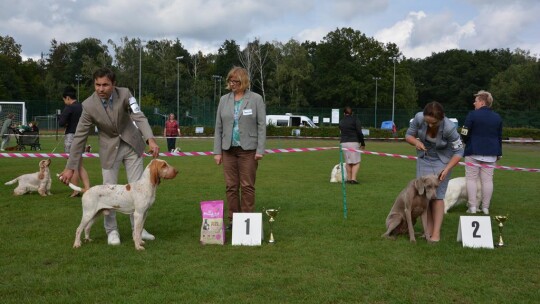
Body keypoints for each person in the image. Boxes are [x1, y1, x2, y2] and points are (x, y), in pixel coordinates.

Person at [58, 67, 160, 246]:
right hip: (108, 149)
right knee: (107, 191)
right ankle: (112, 231)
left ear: (114, 84)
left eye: (105, 85)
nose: (100, 89)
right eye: (97, 85)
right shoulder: (88, 105)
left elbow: (139, 117)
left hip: (131, 145)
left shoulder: (126, 94)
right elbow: (80, 136)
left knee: (140, 191)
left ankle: (139, 229)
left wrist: (150, 140)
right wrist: (70, 167)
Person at [213, 67, 266, 230]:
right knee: (231, 186)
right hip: (228, 149)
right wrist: (217, 152)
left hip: (249, 150)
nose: (232, 84)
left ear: (243, 81)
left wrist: (260, 150)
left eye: (235, 81)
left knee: (247, 186)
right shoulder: (224, 100)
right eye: (230, 81)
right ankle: (233, 220)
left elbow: (262, 125)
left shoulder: (256, 99)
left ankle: (247, 220)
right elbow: (218, 127)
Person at [406, 101, 464, 242]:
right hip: (424, 159)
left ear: (441, 119)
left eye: (434, 123)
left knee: (437, 196)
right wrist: (416, 142)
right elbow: (409, 135)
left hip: (443, 161)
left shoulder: (449, 128)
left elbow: (459, 150)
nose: (430, 125)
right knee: (425, 196)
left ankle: (436, 234)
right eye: (428, 122)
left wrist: (447, 169)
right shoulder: (419, 118)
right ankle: (428, 231)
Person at [461, 90, 502, 215]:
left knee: (471, 179)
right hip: (491, 153)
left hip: (473, 151)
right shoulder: (497, 117)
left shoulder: (472, 115)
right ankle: (485, 208)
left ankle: (472, 207)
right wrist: (499, 152)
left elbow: (465, 132)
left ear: (482, 102)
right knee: (488, 181)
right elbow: (499, 136)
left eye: (476, 101)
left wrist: (465, 142)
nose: (474, 103)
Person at [58, 86, 91, 197]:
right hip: (82, 136)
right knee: (79, 164)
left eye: (64, 100)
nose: (65, 102)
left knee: (72, 165)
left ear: (67, 97)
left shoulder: (69, 108)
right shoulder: (83, 106)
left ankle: (76, 190)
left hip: (71, 136)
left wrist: (67, 122)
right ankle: (87, 188)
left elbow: (61, 122)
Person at [338, 106, 366, 184]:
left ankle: (349, 179)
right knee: (356, 162)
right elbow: (359, 132)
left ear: (344, 113)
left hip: (343, 143)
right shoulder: (355, 120)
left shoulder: (341, 121)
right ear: (352, 113)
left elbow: (341, 131)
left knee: (348, 162)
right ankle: (353, 179)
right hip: (353, 142)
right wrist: (362, 143)